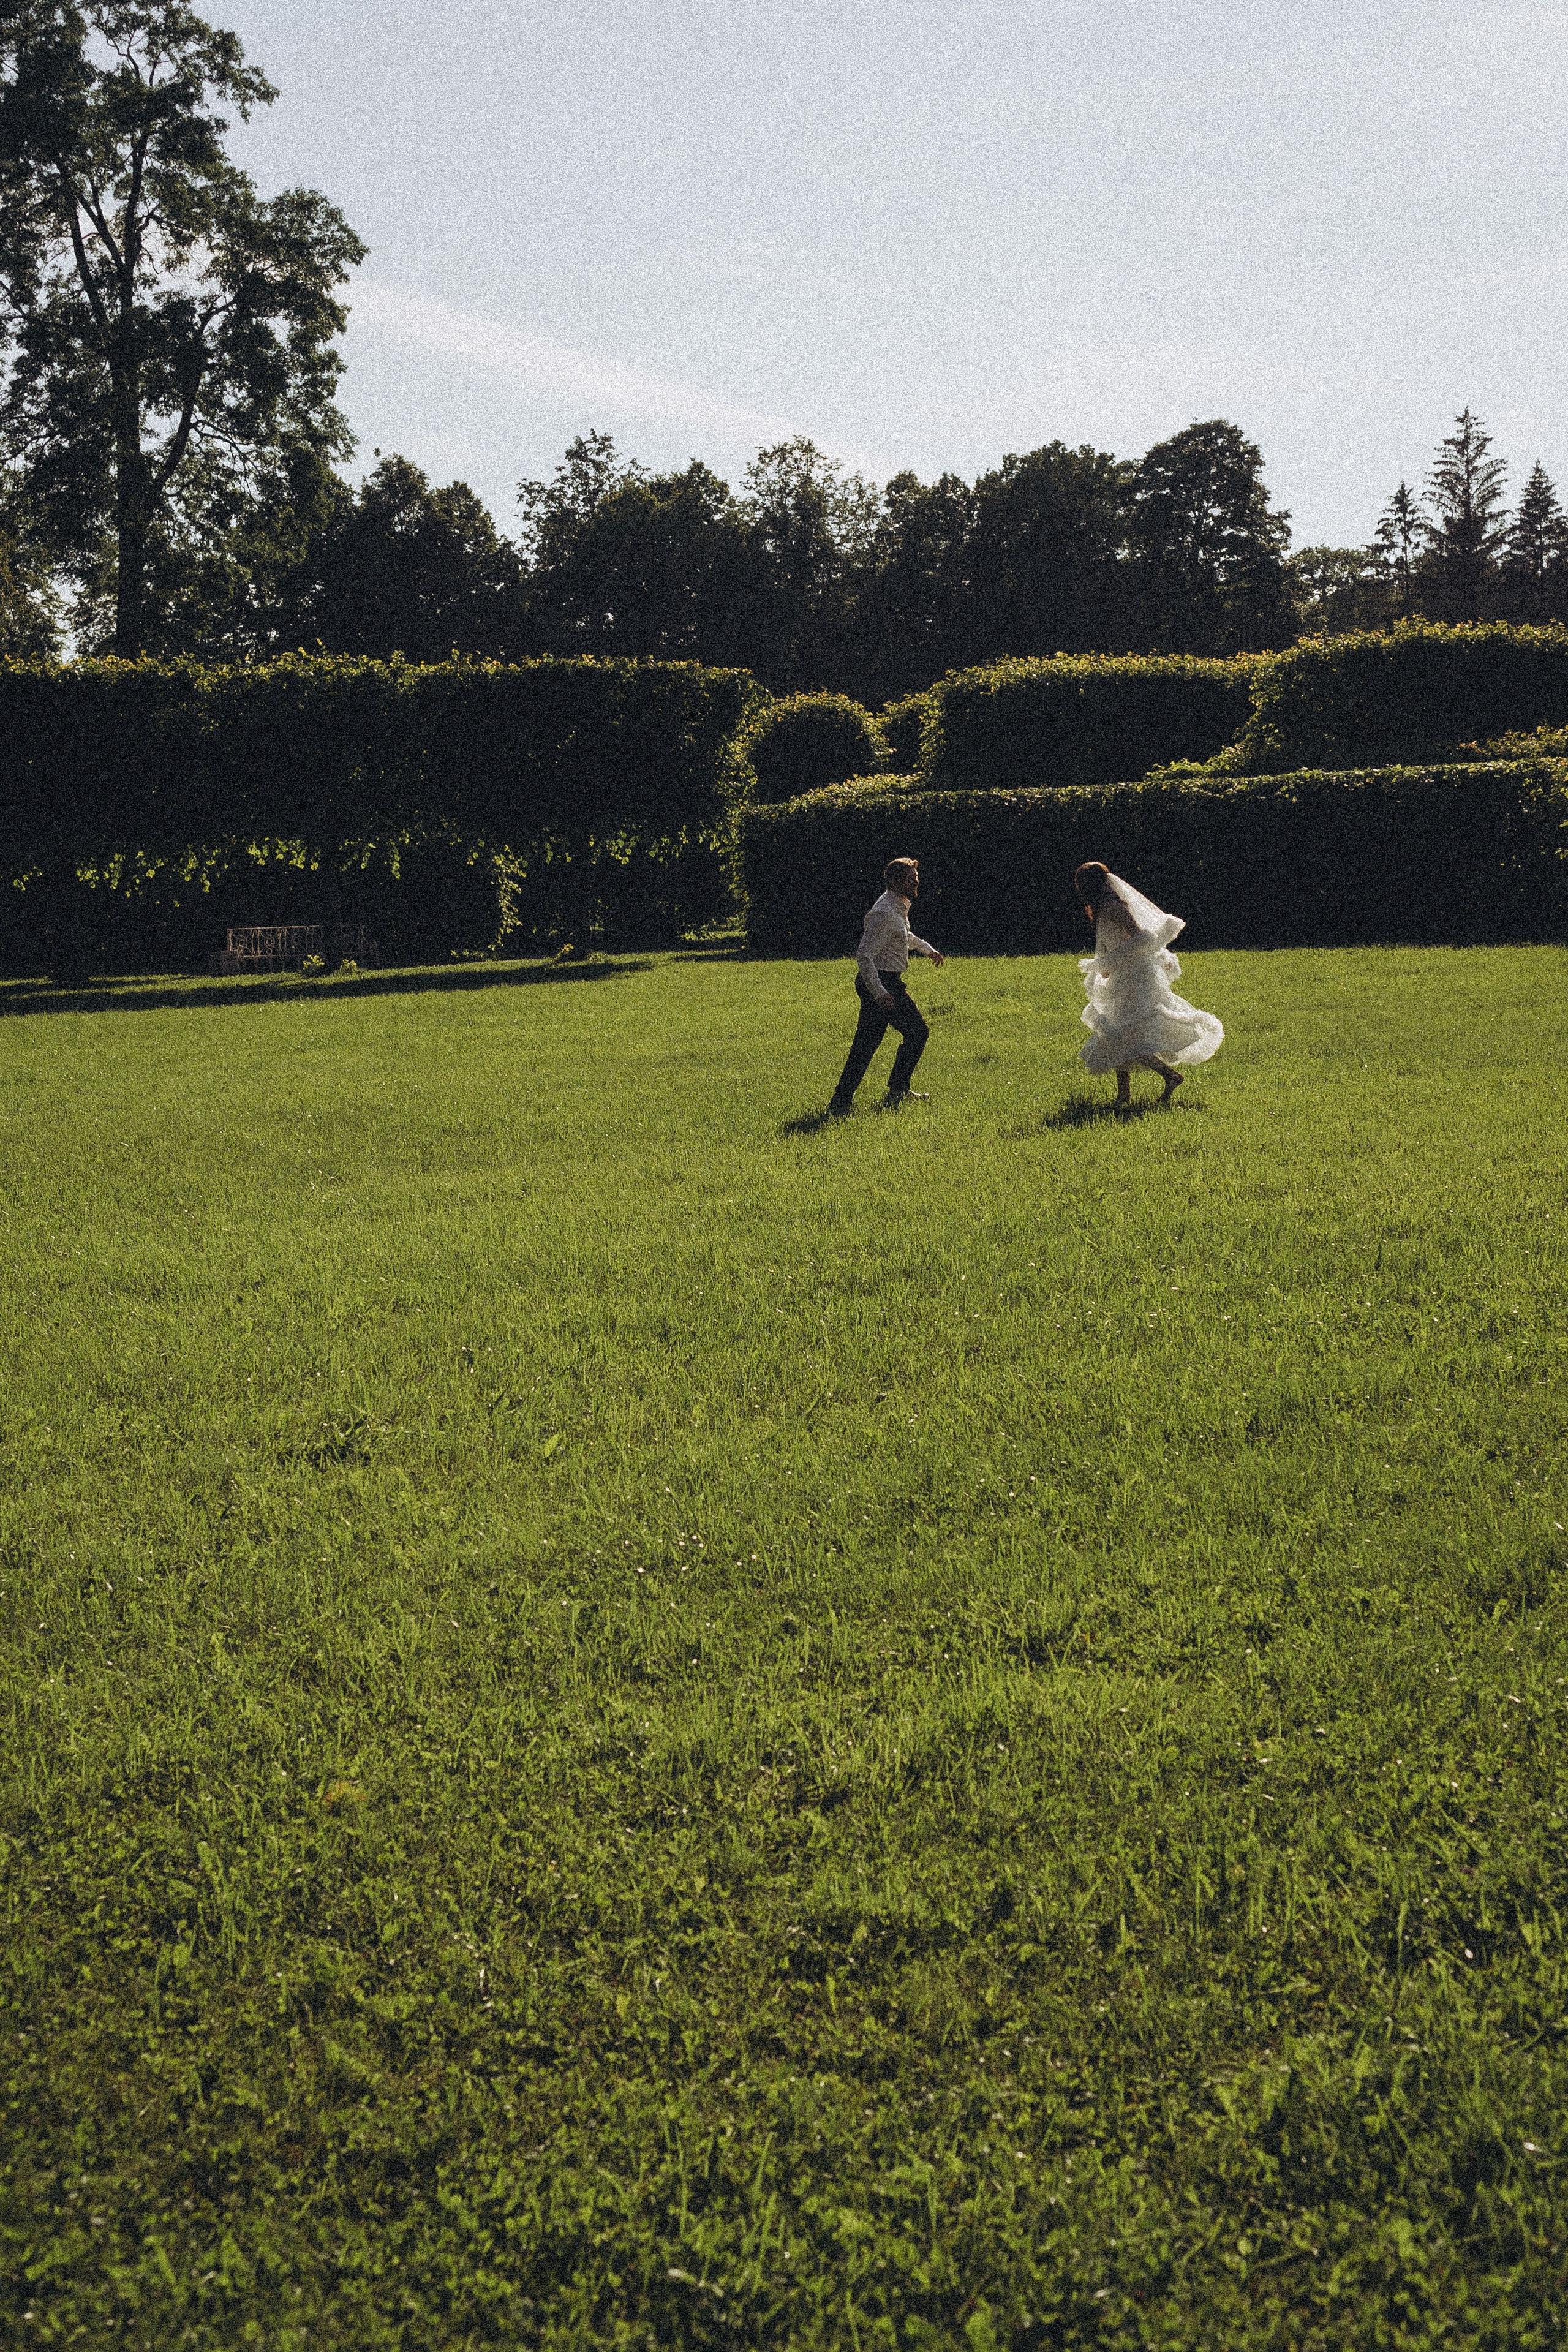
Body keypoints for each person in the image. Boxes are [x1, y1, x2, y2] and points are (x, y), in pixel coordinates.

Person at [1074, 861, 1223, 1107]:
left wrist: (1109, 962)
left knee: (1126, 1034)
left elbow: (1144, 938)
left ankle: (1170, 1076)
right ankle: (1124, 1096)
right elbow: (1121, 944)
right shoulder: (1102, 909)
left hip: (1137, 977)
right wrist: (1110, 964)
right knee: (1117, 1033)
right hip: (1125, 975)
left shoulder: (1113, 908)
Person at [829, 856, 945, 1112]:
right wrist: (879, 992)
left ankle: (845, 1099)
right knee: (915, 1033)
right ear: (895, 882)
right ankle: (885, 1091)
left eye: (916, 877)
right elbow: (864, 954)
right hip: (880, 983)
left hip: (888, 982)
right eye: (910, 878)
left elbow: (904, 936)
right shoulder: (884, 913)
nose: (916, 881)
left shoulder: (898, 906)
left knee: (868, 1043)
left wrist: (928, 950)